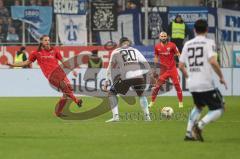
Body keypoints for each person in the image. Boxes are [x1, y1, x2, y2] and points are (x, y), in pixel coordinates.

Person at [6, 35, 82, 117]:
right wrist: (13, 64)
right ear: (41, 41)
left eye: (48, 40)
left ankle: (58, 112)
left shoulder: (54, 51)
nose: (48, 42)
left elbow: (63, 61)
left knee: (68, 90)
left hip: (60, 73)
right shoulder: (36, 53)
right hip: (51, 76)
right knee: (65, 88)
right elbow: (26, 62)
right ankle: (76, 100)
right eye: (45, 40)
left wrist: (73, 70)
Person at [179, 19, 227, 142]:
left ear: (194, 30)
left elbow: (180, 65)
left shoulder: (187, 44)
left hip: (193, 84)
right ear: (207, 30)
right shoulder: (209, 42)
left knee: (199, 106)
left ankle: (188, 134)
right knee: (219, 108)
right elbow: (212, 61)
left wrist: (188, 77)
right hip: (206, 83)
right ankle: (199, 126)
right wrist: (221, 77)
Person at [103, 37, 152, 122]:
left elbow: (109, 68)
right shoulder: (135, 50)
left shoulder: (116, 51)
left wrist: (107, 81)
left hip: (126, 77)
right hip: (139, 77)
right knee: (141, 95)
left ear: (119, 43)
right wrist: (151, 75)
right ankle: (147, 117)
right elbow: (145, 63)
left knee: (111, 93)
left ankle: (116, 117)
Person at [149, 31, 183, 108]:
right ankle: (152, 102)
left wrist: (181, 62)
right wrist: (155, 68)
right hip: (163, 70)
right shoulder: (157, 47)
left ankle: (180, 102)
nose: (163, 38)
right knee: (157, 86)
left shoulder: (172, 45)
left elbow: (178, 54)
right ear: (159, 37)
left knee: (177, 84)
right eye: (162, 36)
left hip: (172, 69)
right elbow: (156, 57)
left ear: (167, 37)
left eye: (165, 36)